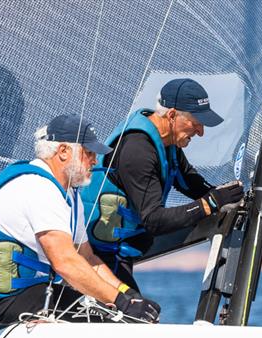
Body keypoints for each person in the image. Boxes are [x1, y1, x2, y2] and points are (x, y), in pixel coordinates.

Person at [0, 114, 161, 328]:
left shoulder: (69, 193)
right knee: (117, 321)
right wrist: (120, 304)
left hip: (29, 295)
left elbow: (86, 256)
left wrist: (127, 293)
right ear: (63, 152)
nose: (95, 161)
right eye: (88, 153)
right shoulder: (39, 188)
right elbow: (65, 262)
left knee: (120, 314)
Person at [80, 78, 245, 291]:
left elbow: (190, 183)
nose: (201, 131)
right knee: (138, 317)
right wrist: (209, 204)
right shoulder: (138, 151)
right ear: (172, 115)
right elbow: (154, 220)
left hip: (117, 254)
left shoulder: (168, 143)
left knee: (140, 316)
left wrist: (227, 195)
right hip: (94, 256)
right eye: (196, 122)